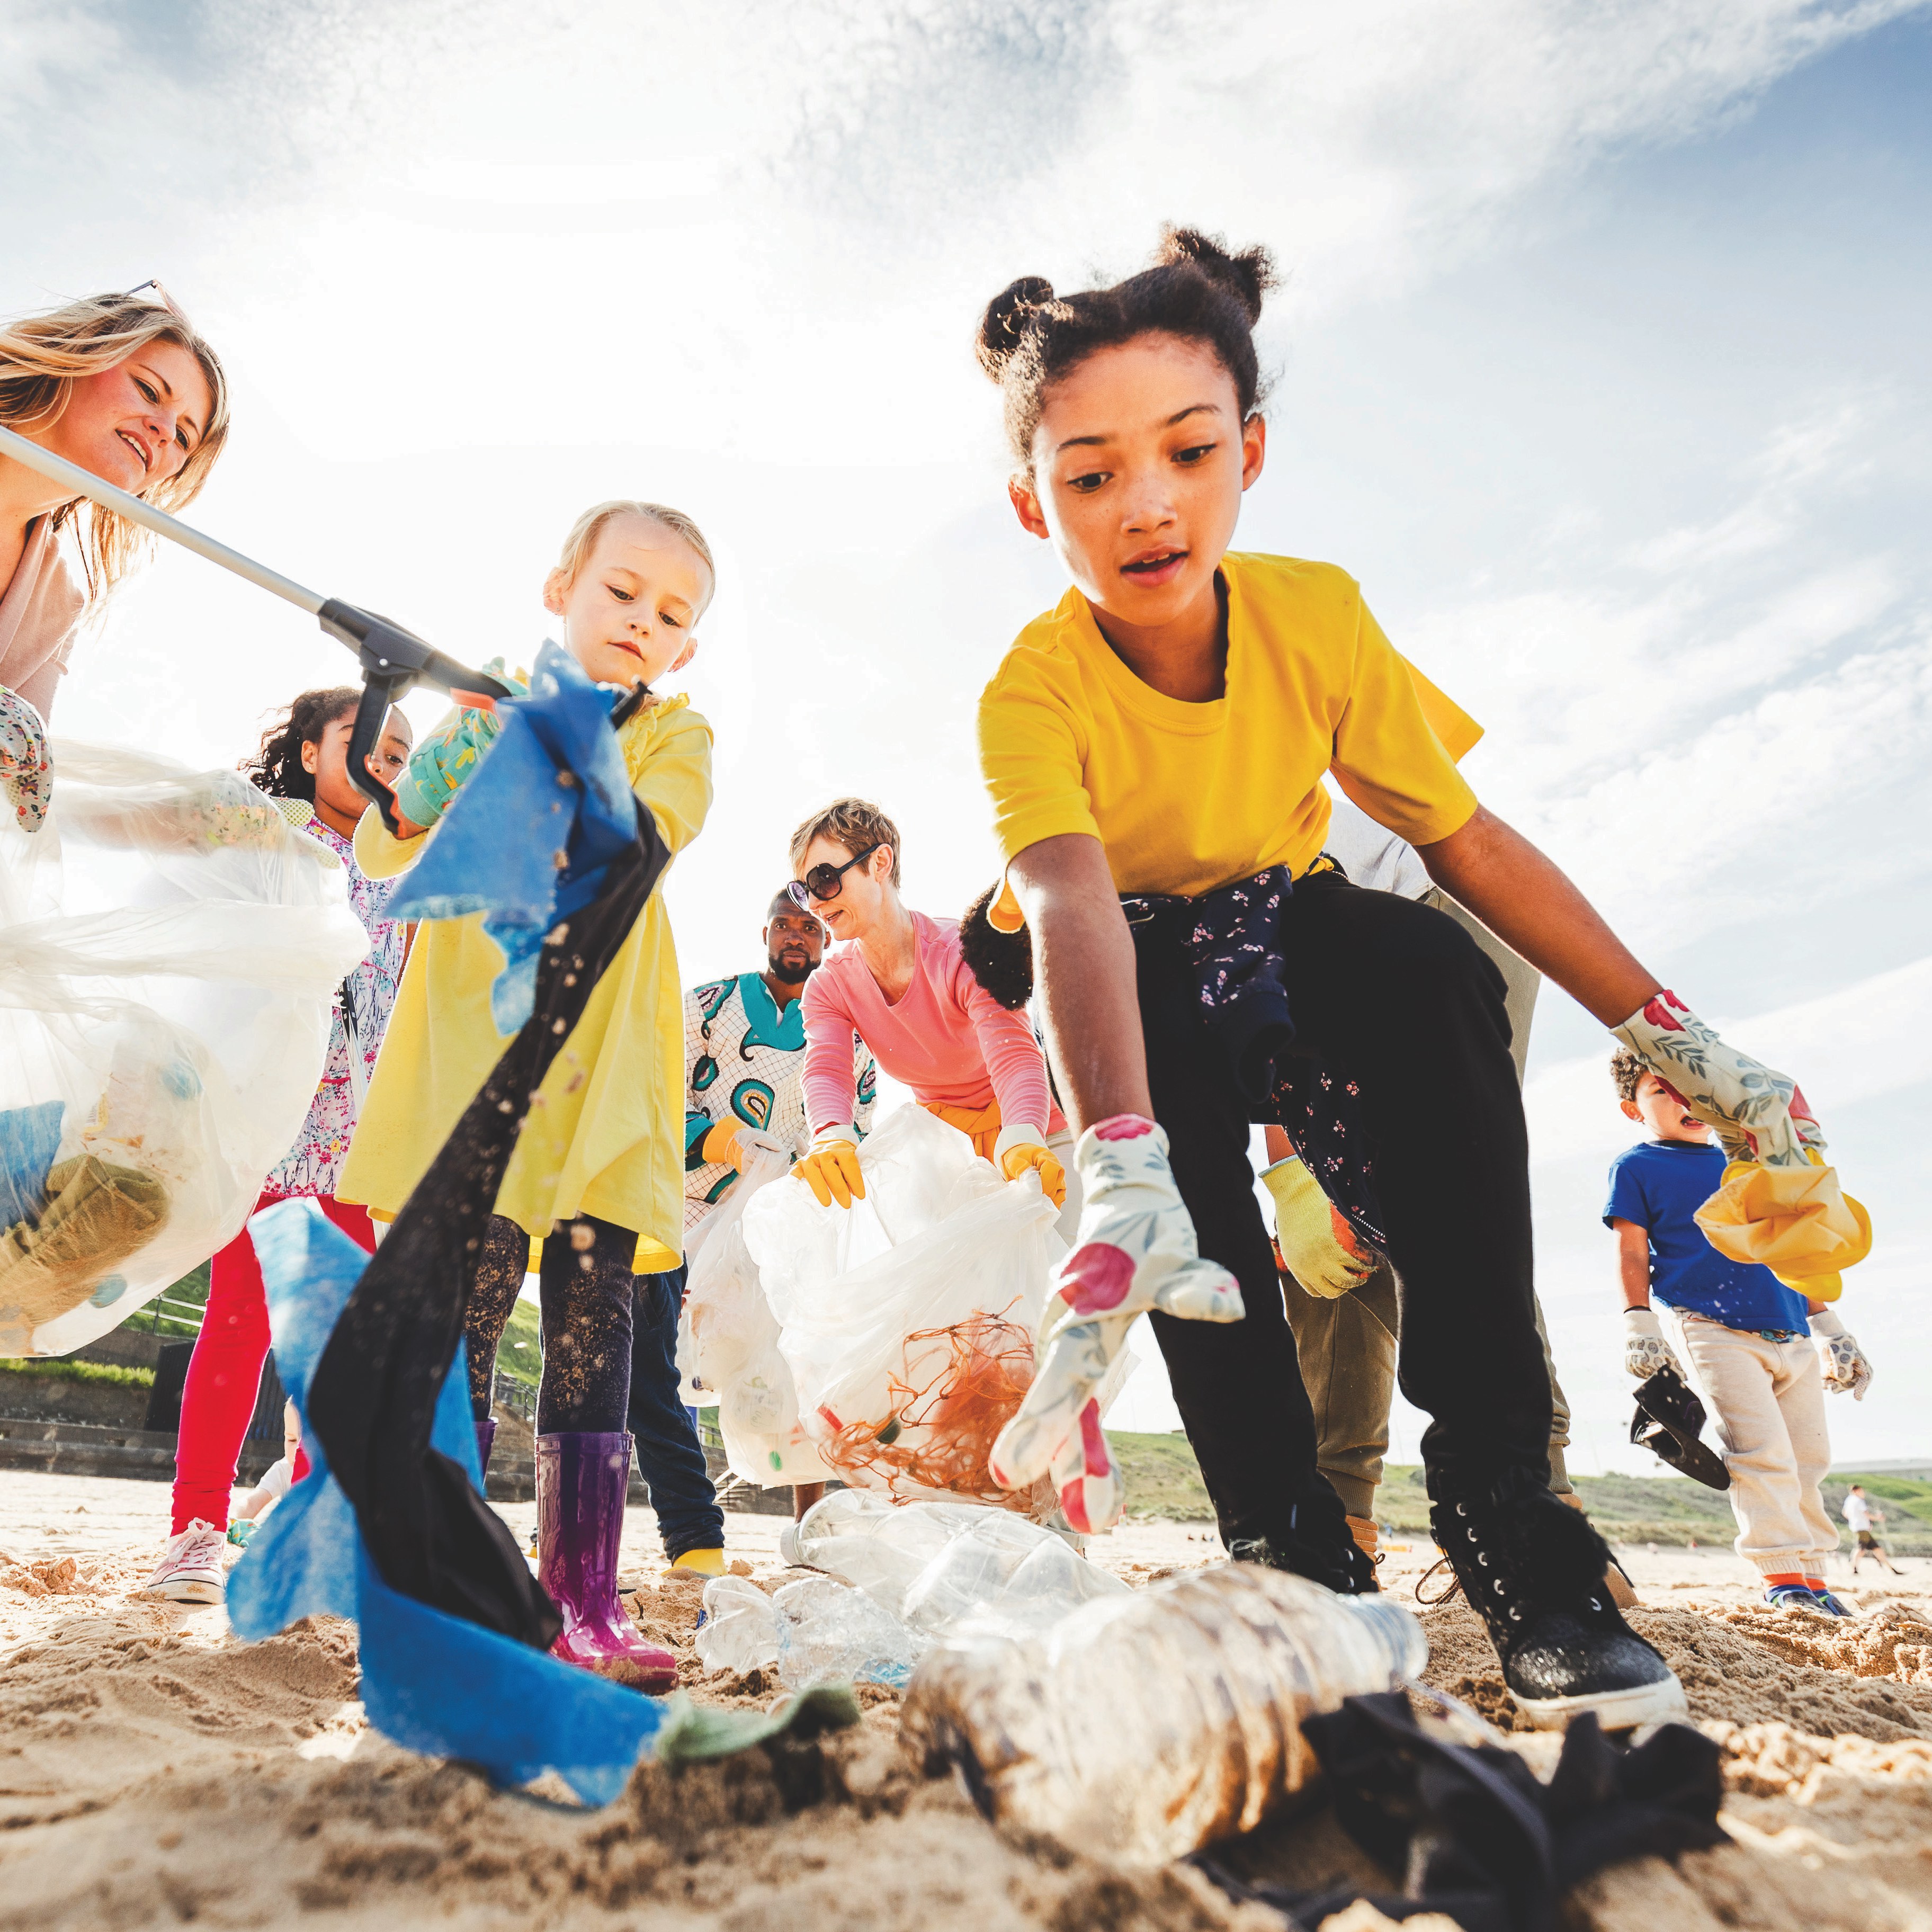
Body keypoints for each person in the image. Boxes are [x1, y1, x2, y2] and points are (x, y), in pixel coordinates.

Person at [967, 225, 1843, 1730]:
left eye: (1185, 453)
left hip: (1281, 910)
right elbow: (1068, 905)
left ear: (1250, 453)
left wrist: (1683, 1042)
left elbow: (1467, 839)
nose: (1147, 504)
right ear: (1029, 501)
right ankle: (1286, 1558)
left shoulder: (1315, 615)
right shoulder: (1034, 686)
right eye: (1091, 474)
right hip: (1108, 944)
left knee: (1433, 970)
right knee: (1180, 1193)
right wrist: (1115, 1155)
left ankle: (1514, 1528)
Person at [337, 499, 718, 1690]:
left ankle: (583, 1599)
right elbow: (384, 856)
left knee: (594, 1329)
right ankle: (442, 1581)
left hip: (603, 1071)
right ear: (561, 586)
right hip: (481, 1060)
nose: (642, 624)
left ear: (687, 649)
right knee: (464, 1317)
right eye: (622, 592)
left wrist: (544, 749)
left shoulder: (674, 733)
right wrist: (438, 768)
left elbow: (632, 842)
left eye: (672, 615)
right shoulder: (479, 711)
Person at [140, 688, 414, 1604]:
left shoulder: (411, 874)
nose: (389, 758)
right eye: (366, 738)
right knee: (238, 1324)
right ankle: (195, 1529)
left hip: (360, 1149)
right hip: (268, 1127)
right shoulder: (271, 840)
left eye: (405, 751)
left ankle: (309, 1536)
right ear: (307, 752)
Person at [1607, 1052, 1872, 1616]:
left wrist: (1833, 1329)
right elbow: (1631, 1248)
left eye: (1690, 1090)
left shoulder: (1750, 1162)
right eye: (1662, 1091)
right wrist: (1639, 1321)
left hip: (1792, 1329)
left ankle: (1815, 1578)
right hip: (1712, 1327)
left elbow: (1795, 1246)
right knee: (1761, 1451)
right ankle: (1781, 1575)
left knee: (1809, 1457)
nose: (1683, 1101)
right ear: (1634, 1109)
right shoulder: (1638, 1166)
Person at [657, 890, 879, 1532]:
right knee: (666, 1359)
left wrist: (819, 1171)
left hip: (785, 1225)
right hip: (691, 1208)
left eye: (809, 927)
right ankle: (677, 1512)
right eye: (784, 924)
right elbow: (658, 1090)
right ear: (764, 932)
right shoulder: (708, 1005)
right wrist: (717, 1139)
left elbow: (858, 1123)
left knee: (791, 1370)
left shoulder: (847, 1032)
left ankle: (812, 1531)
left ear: (827, 938)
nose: (796, 937)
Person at [0, 287, 230, 829]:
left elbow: (22, 804)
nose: (162, 431)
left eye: (184, 436)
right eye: (149, 389)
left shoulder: (59, 600)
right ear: (79, 357)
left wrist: (180, 822)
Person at [789, 797, 1071, 1232]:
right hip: (949, 1154)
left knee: (1074, 1284)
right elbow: (827, 1068)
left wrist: (1022, 1136)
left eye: (824, 880)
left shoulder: (962, 953)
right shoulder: (830, 986)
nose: (815, 903)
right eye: (803, 890)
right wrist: (830, 1133)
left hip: (1036, 1134)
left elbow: (1015, 1053)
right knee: (976, 1299)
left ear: (880, 863)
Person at [1842, 1485, 1902, 1577]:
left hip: (1857, 1527)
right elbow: (1866, 1514)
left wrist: (1854, 1520)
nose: (1864, 1493)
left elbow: (1845, 1514)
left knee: (1877, 1549)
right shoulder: (1859, 1501)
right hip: (1862, 1528)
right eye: (1862, 1491)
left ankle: (1892, 1569)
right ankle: (1854, 1568)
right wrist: (1877, 1518)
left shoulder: (1849, 1500)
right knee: (1860, 1549)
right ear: (1856, 1491)